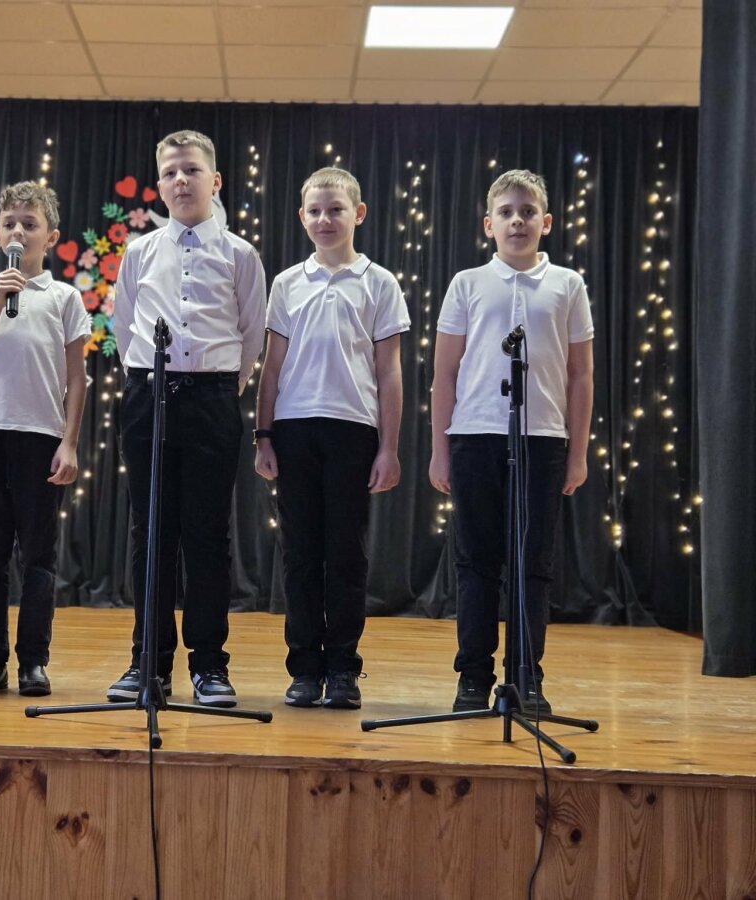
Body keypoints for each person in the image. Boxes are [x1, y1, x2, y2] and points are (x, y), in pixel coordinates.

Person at [109, 130, 267, 708]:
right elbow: (126, 325)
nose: (181, 180)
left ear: (214, 180)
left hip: (212, 400)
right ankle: (147, 662)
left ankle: (209, 666)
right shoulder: (139, 252)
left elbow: (251, 333)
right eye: (171, 172)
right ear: (159, 184)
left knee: (207, 535)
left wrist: (221, 388)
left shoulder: (240, 255)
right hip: (147, 397)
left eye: (192, 170)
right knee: (150, 532)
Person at [430, 169, 594, 714]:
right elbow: (445, 372)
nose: (517, 221)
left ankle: (526, 675)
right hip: (474, 435)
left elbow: (580, 375)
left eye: (527, 212)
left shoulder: (567, 284)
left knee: (533, 562)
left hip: (541, 438)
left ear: (546, 222)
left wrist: (577, 453)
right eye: (506, 212)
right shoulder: (467, 283)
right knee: (476, 561)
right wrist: (439, 449)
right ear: (488, 224)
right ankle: (473, 677)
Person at [254, 166, 409, 710]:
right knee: (300, 554)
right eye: (316, 211)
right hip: (294, 431)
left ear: (357, 214)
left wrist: (389, 447)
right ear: (302, 218)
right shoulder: (287, 283)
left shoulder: (379, 283)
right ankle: (304, 668)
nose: (325, 219)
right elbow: (272, 367)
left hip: (353, 432)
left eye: (336, 209)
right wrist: (263, 435)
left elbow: (389, 371)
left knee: (346, 554)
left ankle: (343, 667)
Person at [0, 181, 89, 697]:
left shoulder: (64, 297)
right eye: (9, 224)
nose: (18, 232)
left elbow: (76, 377)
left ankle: (34, 660)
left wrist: (69, 442)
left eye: (29, 224)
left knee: (38, 557)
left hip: (41, 436)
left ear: (50, 237)